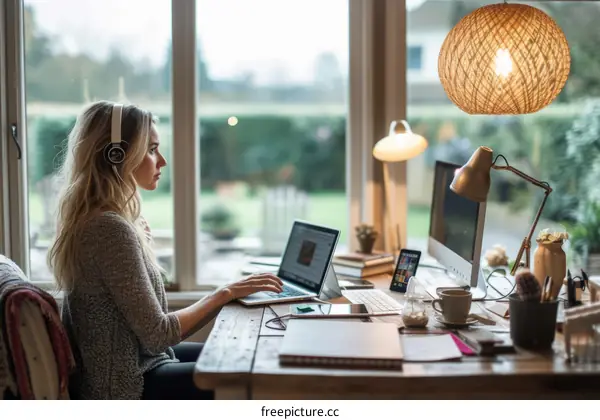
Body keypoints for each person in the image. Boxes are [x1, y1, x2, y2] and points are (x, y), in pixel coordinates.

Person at [48, 101, 283, 400]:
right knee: (255, 375)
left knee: (245, 352)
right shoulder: (108, 229)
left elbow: (146, 327)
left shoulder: (106, 220)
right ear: (116, 155)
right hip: (126, 387)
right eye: (151, 149)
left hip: (141, 364)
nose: (162, 161)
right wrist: (225, 293)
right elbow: (158, 334)